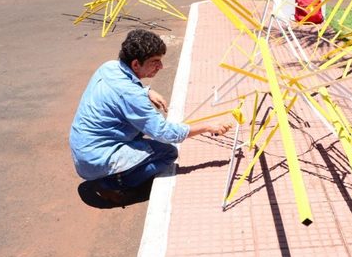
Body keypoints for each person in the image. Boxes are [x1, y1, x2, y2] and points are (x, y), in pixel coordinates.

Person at [70, 29, 232, 205]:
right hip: (97, 159)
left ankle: (115, 174)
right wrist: (207, 127)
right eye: (155, 62)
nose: (160, 67)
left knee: (140, 134)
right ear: (135, 64)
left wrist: (147, 91)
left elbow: (124, 89)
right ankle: (110, 184)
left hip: (83, 149)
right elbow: (165, 133)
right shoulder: (131, 96)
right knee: (168, 153)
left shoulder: (109, 67)